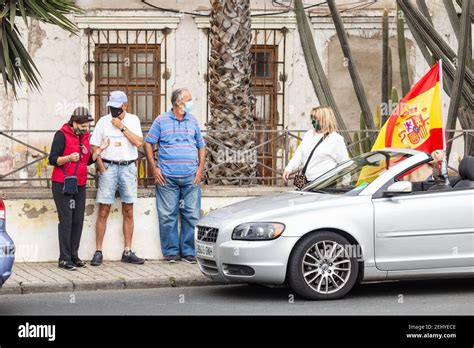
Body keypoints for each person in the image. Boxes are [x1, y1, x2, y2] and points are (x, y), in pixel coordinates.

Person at [144, 88, 206, 264]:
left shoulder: (192, 120)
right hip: (167, 178)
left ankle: (188, 252)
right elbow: (148, 143)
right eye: (189, 99)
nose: (191, 102)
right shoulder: (161, 120)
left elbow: (201, 146)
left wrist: (200, 169)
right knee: (167, 215)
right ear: (179, 102)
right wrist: (154, 169)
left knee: (192, 215)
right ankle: (171, 253)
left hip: (191, 177)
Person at [49, 107, 109, 271]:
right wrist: (68, 158)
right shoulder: (61, 135)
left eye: (87, 126)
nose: (85, 129)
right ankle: (64, 258)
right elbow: (52, 159)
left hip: (80, 184)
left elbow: (87, 161)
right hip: (62, 183)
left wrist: (100, 149)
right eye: (82, 126)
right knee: (66, 220)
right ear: (73, 122)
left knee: (77, 221)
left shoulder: (84, 137)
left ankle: (74, 256)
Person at [89, 91, 145, 266]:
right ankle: (98, 251)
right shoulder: (103, 122)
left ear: (124, 106)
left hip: (128, 167)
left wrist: (121, 126)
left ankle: (127, 250)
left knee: (128, 210)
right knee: (104, 209)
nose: (113, 112)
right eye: (111, 108)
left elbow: (138, 142)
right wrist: (101, 167)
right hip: (109, 167)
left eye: (116, 109)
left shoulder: (133, 120)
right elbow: (94, 146)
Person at [283, 106, 349, 183]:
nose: (313, 121)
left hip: (325, 184)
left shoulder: (335, 139)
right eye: (312, 117)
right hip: (307, 182)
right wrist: (288, 168)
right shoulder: (309, 134)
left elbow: (344, 163)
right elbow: (299, 154)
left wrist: (345, 184)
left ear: (325, 119)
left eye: (315, 118)